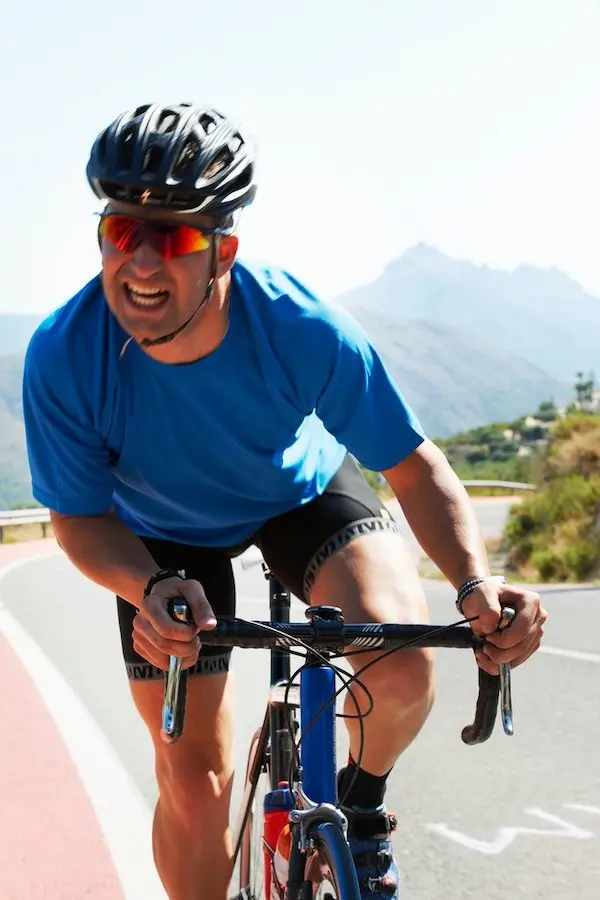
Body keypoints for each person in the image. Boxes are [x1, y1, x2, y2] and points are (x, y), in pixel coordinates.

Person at [22, 101, 547, 900]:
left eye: (176, 239)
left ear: (224, 248)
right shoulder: (65, 354)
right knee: (195, 791)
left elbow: (411, 466)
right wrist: (147, 590)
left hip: (297, 497)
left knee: (399, 665)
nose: (142, 264)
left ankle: (361, 815)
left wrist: (474, 584)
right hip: (159, 540)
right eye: (124, 232)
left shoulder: (300, 327)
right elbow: (78, 518)